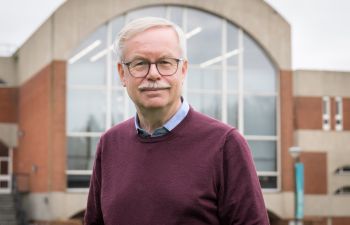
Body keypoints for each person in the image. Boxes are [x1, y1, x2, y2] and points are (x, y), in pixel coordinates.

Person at [84, 17, 269, 225]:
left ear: (183, 70)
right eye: (139, 63)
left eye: (165, 62)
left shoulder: (225, 144)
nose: (153, 74)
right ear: (122, 74)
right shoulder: (109, 144)